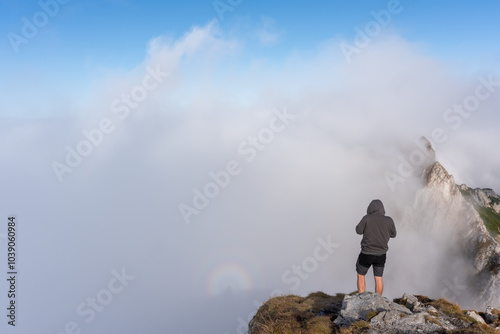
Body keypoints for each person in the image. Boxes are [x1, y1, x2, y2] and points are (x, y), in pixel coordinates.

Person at [355, 199, 397, 295]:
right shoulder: (389, 220)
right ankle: (378, 299)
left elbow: (358, 231)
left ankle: (362, 297)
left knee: (361, 275)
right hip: (381, 254)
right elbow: (393, 234)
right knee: (378, 277)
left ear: (370, 208)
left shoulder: (366, 218)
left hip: (366, 253)